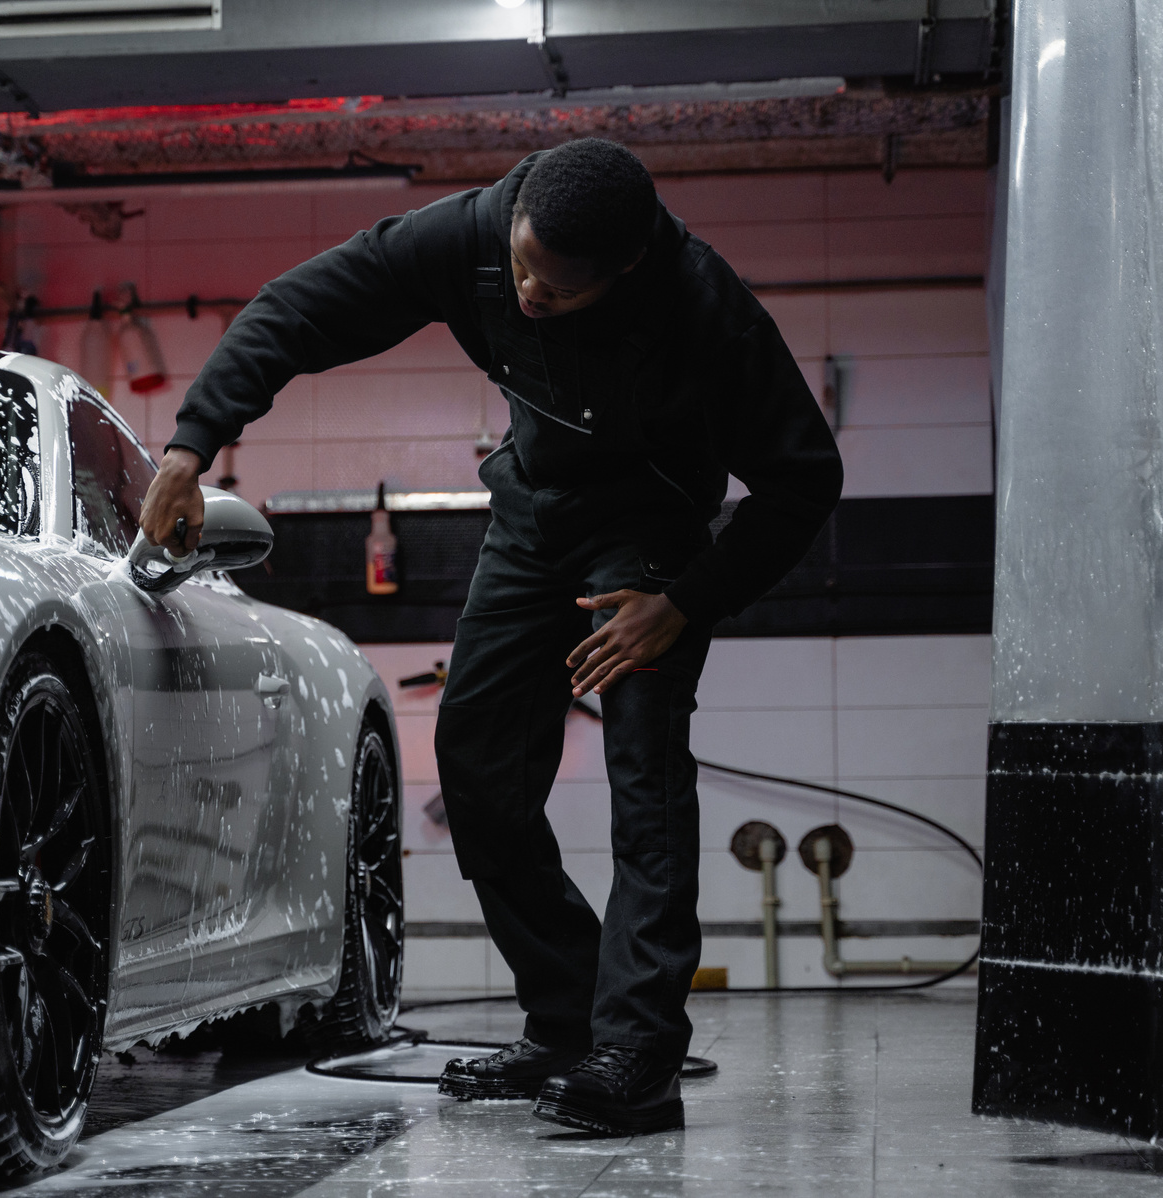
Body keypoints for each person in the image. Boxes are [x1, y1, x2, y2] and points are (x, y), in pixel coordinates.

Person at [139, 138, 842, 1134]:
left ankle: (638, 1049)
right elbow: (298, 308)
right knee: (474, 767)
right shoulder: (471, 233)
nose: (525, 294)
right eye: (519, 266)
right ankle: (565, 1018)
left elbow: (805, 480)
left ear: (626, 269)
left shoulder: (704, 310)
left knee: (642, 774)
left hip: (648, 538)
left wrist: (687, 600)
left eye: (554, 290)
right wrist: (192, 441)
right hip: (530, 518)